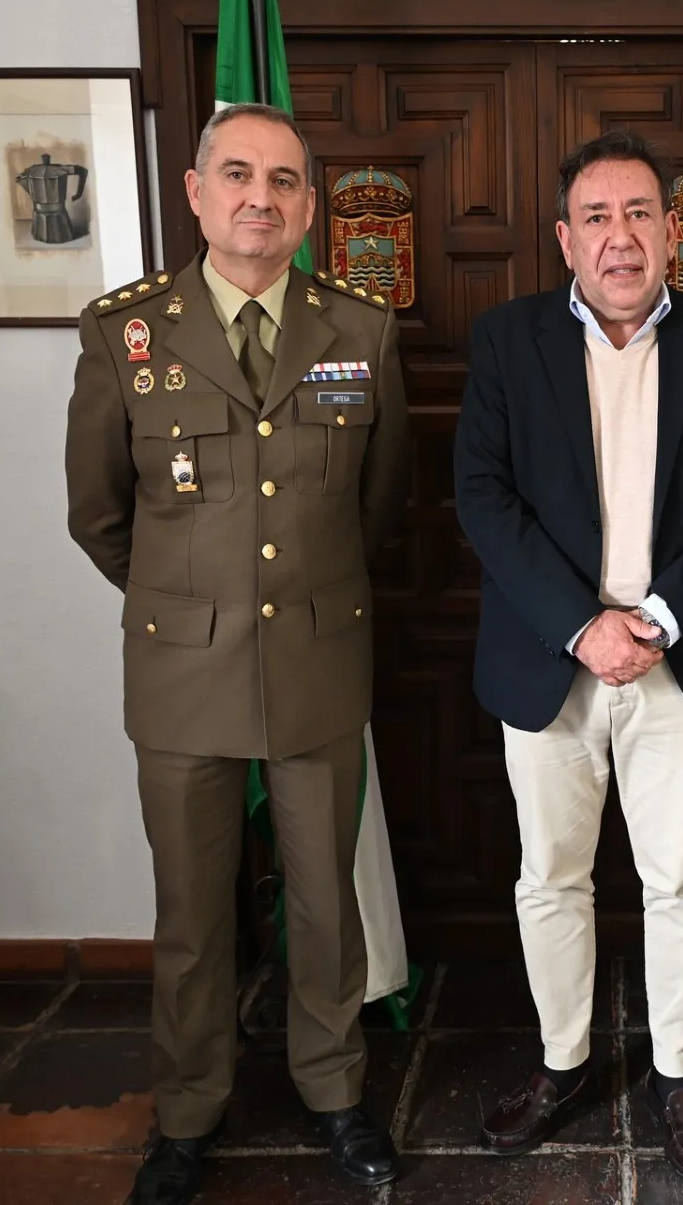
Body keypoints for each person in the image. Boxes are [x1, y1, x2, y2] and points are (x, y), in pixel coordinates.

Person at [65, 102, 409, 1204]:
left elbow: (381, 502)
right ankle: (187, 1110)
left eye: (284, 181)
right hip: (181, 671)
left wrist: (286, 596)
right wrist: (197, 602)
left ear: (308, 205)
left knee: (324, 904)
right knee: (193, 911)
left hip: (316, 659)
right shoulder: (124, 331)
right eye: (239, 175)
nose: (261, 197)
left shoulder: (360, 329)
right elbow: (99, 513)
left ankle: (334, 1089)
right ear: (195, 189)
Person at [452, 130, 683, 1184]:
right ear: (564, 239)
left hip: (679, 664)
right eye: (596, 217)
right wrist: (583, 623)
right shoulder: (506, 342)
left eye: (639, 213)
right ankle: (562, 1064)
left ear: (673, 231)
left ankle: (678, 1072)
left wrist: (659, 616)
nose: (620, 236)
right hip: (549, 663)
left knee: (680, 877)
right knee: (550, 876)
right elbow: (484, 499)